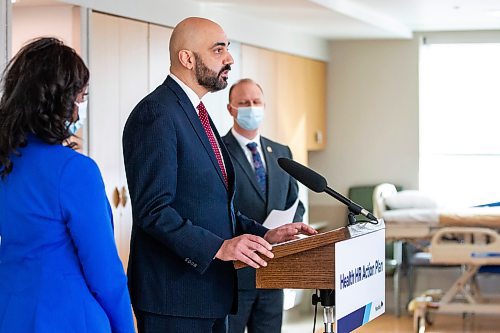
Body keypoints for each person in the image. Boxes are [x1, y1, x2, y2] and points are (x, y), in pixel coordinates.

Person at [122, 17, 317, 333]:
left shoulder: (198, 113)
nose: (229, 59)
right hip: (176, 299)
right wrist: (219, 247)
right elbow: (154, 212)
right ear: (187, 58)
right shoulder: (157, 113)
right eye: (218, 50)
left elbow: (214, 206)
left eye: (227, 49)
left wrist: (263, 234)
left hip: (210, 294)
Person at [0, 37, 134, 332]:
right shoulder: (75, 171)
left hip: (10, 311)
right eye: (81, 97)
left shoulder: (5, 163)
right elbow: (105, 275)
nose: (81, 107)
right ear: (61, 100)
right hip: (69, 317)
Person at [222, 78, 305, 333]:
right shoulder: (219, 152)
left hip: (273, 269)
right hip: (235, 274)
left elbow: (295, 200)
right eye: (244, 103)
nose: (251, 107)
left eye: (256, 102)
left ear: (264, 106)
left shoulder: (281, 152)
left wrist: (290, 225)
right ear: (231, 109)